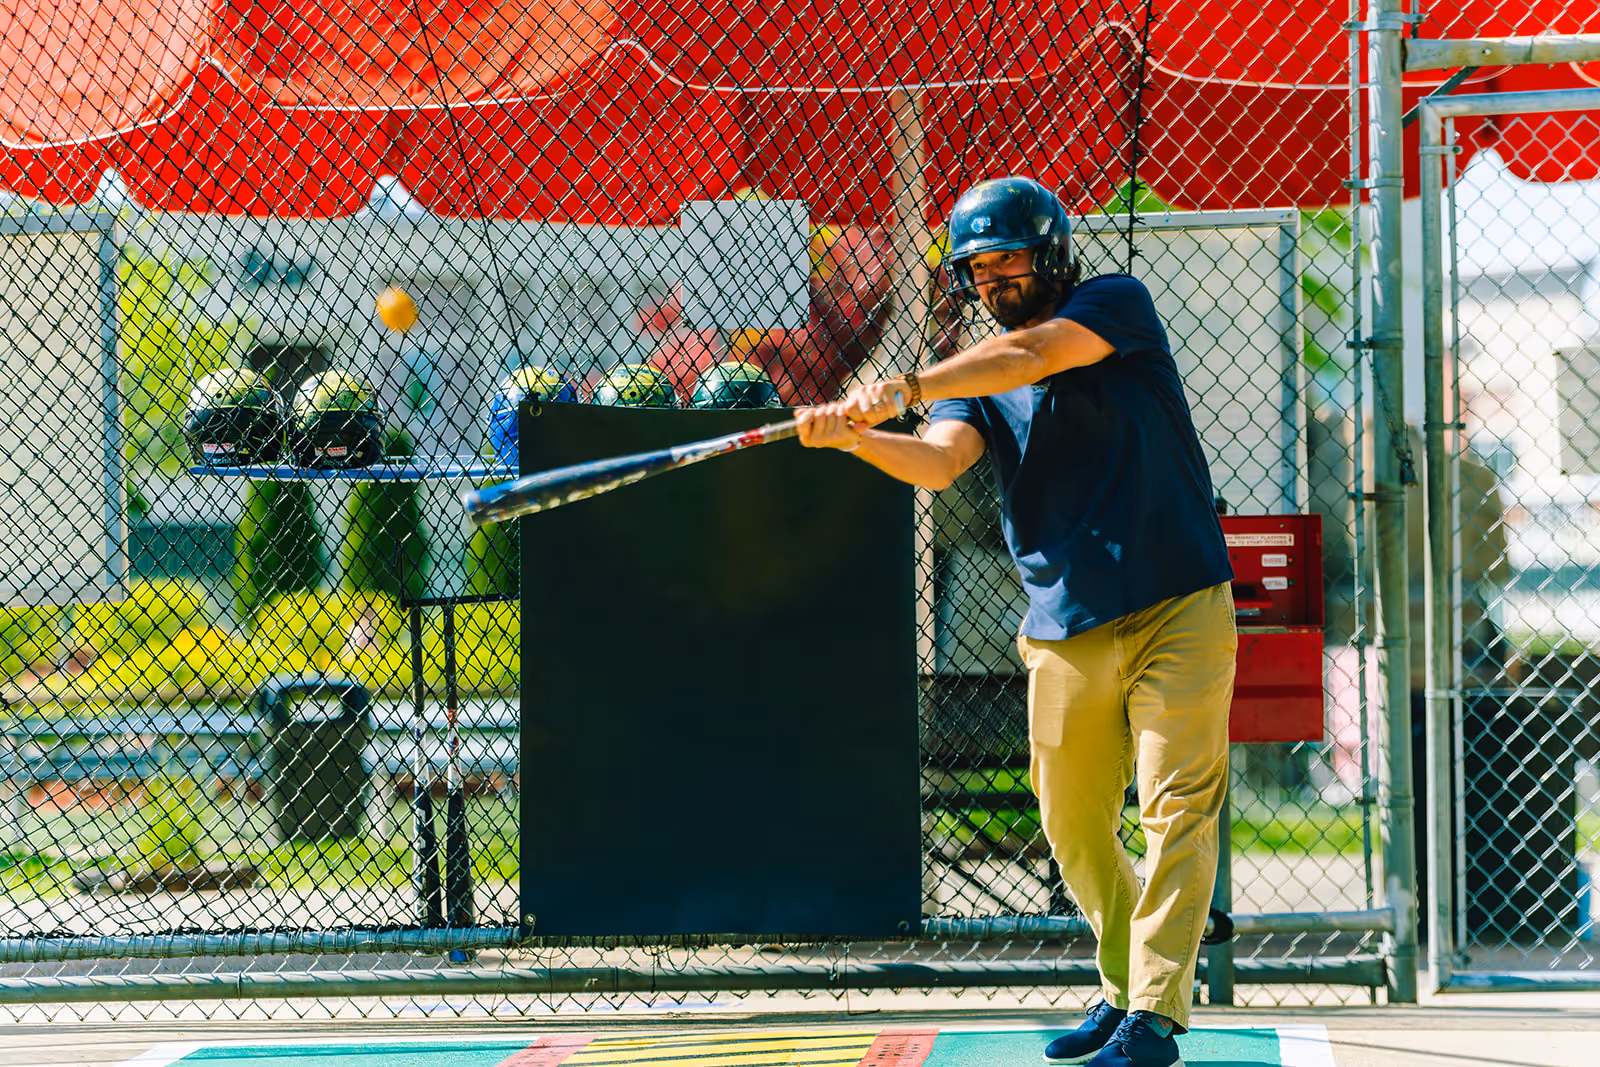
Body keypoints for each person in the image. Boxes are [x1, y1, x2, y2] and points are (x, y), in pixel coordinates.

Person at [796, 176, 1236, 1067]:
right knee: (1074, 827)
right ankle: (1123, 986)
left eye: (1010, 260)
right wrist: (856, 437)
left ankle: (1155, 1017)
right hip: (1067, 621)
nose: (995, 280)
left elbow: (1032, 356)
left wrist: (904, 382)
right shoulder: (975, 374)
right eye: (978, 268)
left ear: (1051, 252)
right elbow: (938, 461)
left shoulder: (1114, 304)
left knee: (1175, 808)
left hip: (1177, 600)